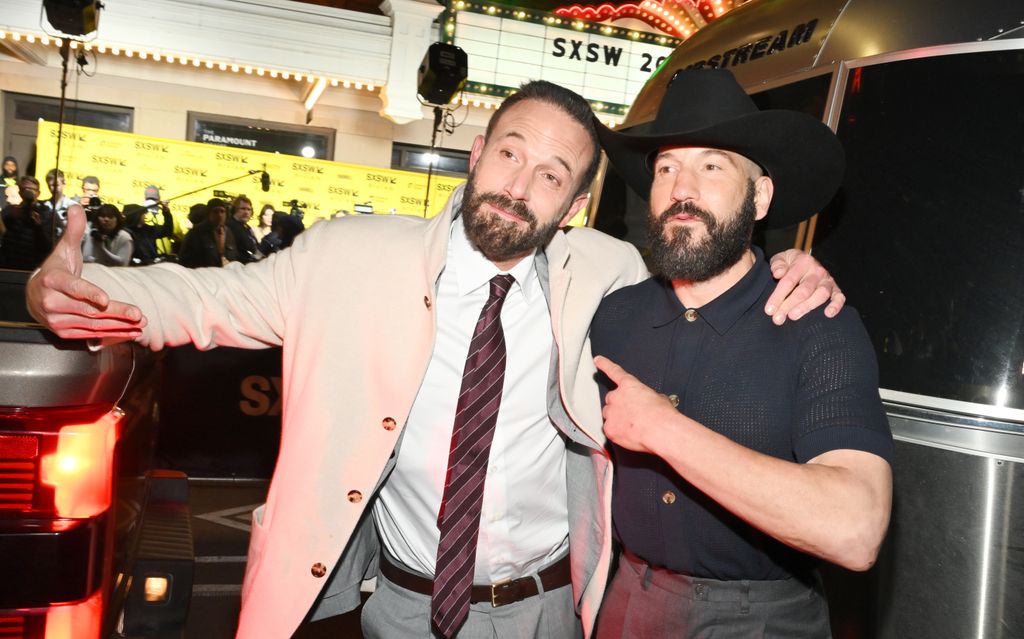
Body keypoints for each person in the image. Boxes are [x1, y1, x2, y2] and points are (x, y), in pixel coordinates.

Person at [25, 80, 844, 639]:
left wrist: (787, 266)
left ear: (576, 205)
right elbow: (206, 301)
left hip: (547, 609)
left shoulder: (610, 276)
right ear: (477, 149)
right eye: (512, 154)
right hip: (401, 608)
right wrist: (71, 287)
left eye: (554, 175)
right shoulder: (350, 257)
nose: (522, 185)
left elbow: (709, 273)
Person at [589, 69, 894, 638]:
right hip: (625, 600)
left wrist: (664, 430)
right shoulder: (611, 315)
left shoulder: (816, 324)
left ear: (760, 196)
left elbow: (856, 530)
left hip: (763, 619)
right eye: (666, 169)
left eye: (711, 166)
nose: (683, 189)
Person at [0, 176, 53, 270]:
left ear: (38, 193)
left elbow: (48, 246)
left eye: (32, 189)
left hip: (33, 268)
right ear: (20, 192)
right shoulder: (10, 212)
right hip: (10, 267)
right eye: (25, 189)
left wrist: (38, 226)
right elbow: (5, 240)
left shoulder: (46, 214)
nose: (28, 192)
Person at [178, 197, 239, 267]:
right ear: (209, 213)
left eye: (222, 211)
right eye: (215, 211)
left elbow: (235, 256)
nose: (219, 215)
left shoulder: (228, 233)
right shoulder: (196, 233)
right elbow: (184, 261)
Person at [226, 195, 262, 263]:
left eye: (249, 209)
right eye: (243, 208)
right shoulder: (230, 226)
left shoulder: (247, 227)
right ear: (235, 209)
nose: (246, 212)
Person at [42, 168, 75, 237]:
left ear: (64, 184)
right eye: (49, 185)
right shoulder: (44, 206)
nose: (52, 188)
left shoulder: (73, 206)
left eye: (56, 185)